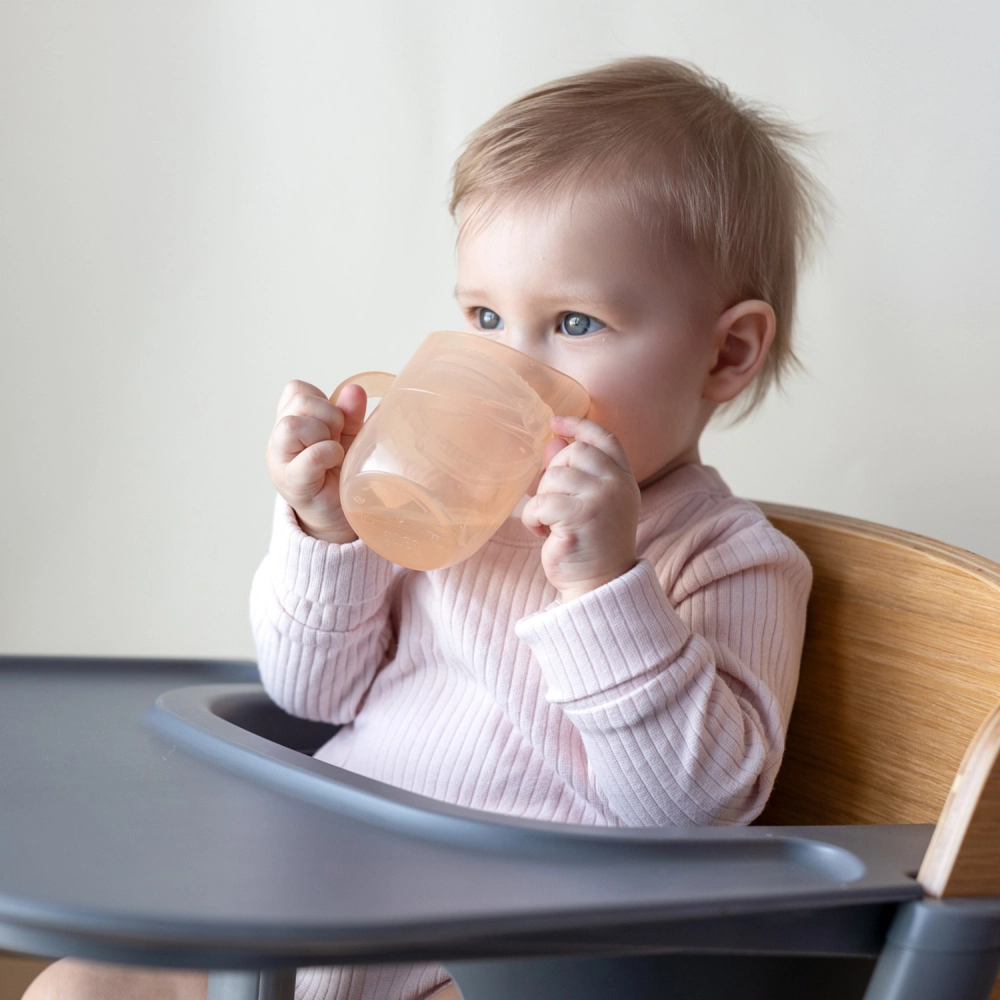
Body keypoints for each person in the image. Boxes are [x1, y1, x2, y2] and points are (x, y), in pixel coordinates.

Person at [24, 55, 821, 1000]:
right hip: (320, 886)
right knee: (81, 984)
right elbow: (313, 692)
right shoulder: (457, 502)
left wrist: (604, 587)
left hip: (494, 953)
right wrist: (331, 531)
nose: (509, 367)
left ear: (727, 353)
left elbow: (696, 808)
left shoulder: (730, 558)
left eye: (573, 323)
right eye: (485, 316)